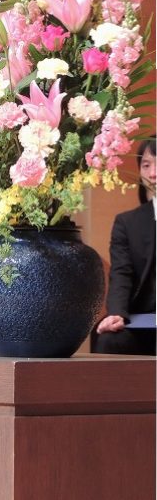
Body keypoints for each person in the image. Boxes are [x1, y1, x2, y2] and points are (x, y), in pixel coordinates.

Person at [92, 137, 156, 355]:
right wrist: (117, 312)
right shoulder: (127, 223)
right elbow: (121, 273)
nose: (153, 173)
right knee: (109, 340)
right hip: (143, 319)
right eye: (146, 165)